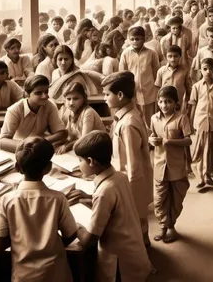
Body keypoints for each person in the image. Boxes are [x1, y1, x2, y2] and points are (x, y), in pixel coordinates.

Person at [0, 137, 78, 282]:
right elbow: (70, 234)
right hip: (56, 274)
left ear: (17, 168)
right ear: (48, 168)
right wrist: (49, 243)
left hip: (23, 276)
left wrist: (21, 240)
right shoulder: (58, 199)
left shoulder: (7, 200)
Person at [74, 131, 154, 281]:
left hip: (120, 265)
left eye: (80, 160)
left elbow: (88, 239)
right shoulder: (120, 177)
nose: (79, 166)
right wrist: (88, 198)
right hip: (134, 253)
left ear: (91, 161)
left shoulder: (104, 192)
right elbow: (114, 207)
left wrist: (76, 226)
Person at [102, 71, 153, 246]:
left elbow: (133, 165)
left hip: (131, 184)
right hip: (126, 180)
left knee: (136, 223)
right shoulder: (124, 117)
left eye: (107, 94)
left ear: (120, 95)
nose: (104, 99)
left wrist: (128, 193)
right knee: (138, 222)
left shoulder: (128, 124)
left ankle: (143, 260)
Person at [149, 86, 192, 243]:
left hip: (177, 166)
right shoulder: (154, 118)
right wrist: (151, 140)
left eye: (168, 102)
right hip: (160, 165)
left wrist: (171, 142)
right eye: (161, 101)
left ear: (176, 103)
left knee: (176, 198)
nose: (164, 105)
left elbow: (188, 140)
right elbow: (152, 135)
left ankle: (171, 227)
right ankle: (163, 226)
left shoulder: (182, 118)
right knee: (159, 199)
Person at [0, 75, 67, 152]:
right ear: (27, 94)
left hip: (41, 146)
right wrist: (31, 145)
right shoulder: (14, 110)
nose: (45, 96)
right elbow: (2, 142)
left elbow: (61, 133)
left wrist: (38, 143)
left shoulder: (49, 105)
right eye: (38, 93)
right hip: (19, 147)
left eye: (46, 91)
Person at [188, 57, 213, 189]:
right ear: (201, 70)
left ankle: (208, 171)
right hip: (200, 122)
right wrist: (191, 121)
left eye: (210, 69)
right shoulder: (196, 87)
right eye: (205, 69)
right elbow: (193, 105)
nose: (207, 72)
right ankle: (203, 176)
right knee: (200, 150)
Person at [119, 25, 160, 125]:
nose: (135, 41)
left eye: (137, 39)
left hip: (149, 91)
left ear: (143, 39)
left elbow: (157, 73)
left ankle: (150, 139)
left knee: (151, 120)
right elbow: (122, 74)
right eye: (132, 39)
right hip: (133, 92)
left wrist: (157, 89)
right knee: (135, 119)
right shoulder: (125, 53)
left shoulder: (151, 53)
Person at [56, 81, 105, 154]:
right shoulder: (68, 112)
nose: (71, 103)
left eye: (76, 99)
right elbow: (69, 136)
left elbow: (84, 139)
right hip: (81, 144)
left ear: (83, 99)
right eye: (68, 99)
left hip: (95, 146)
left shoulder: (88, 112)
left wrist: (66, 146)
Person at [155, 45, 193, 113]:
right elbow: (157, 89)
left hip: (179, 104)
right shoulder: (161, 71)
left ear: (180, 57)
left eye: (176, 56)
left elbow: (188, 89)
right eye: (170, 56)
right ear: (166, 57)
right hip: (164, 104)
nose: (173, 59)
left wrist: (188, 103)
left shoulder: (184, 71)